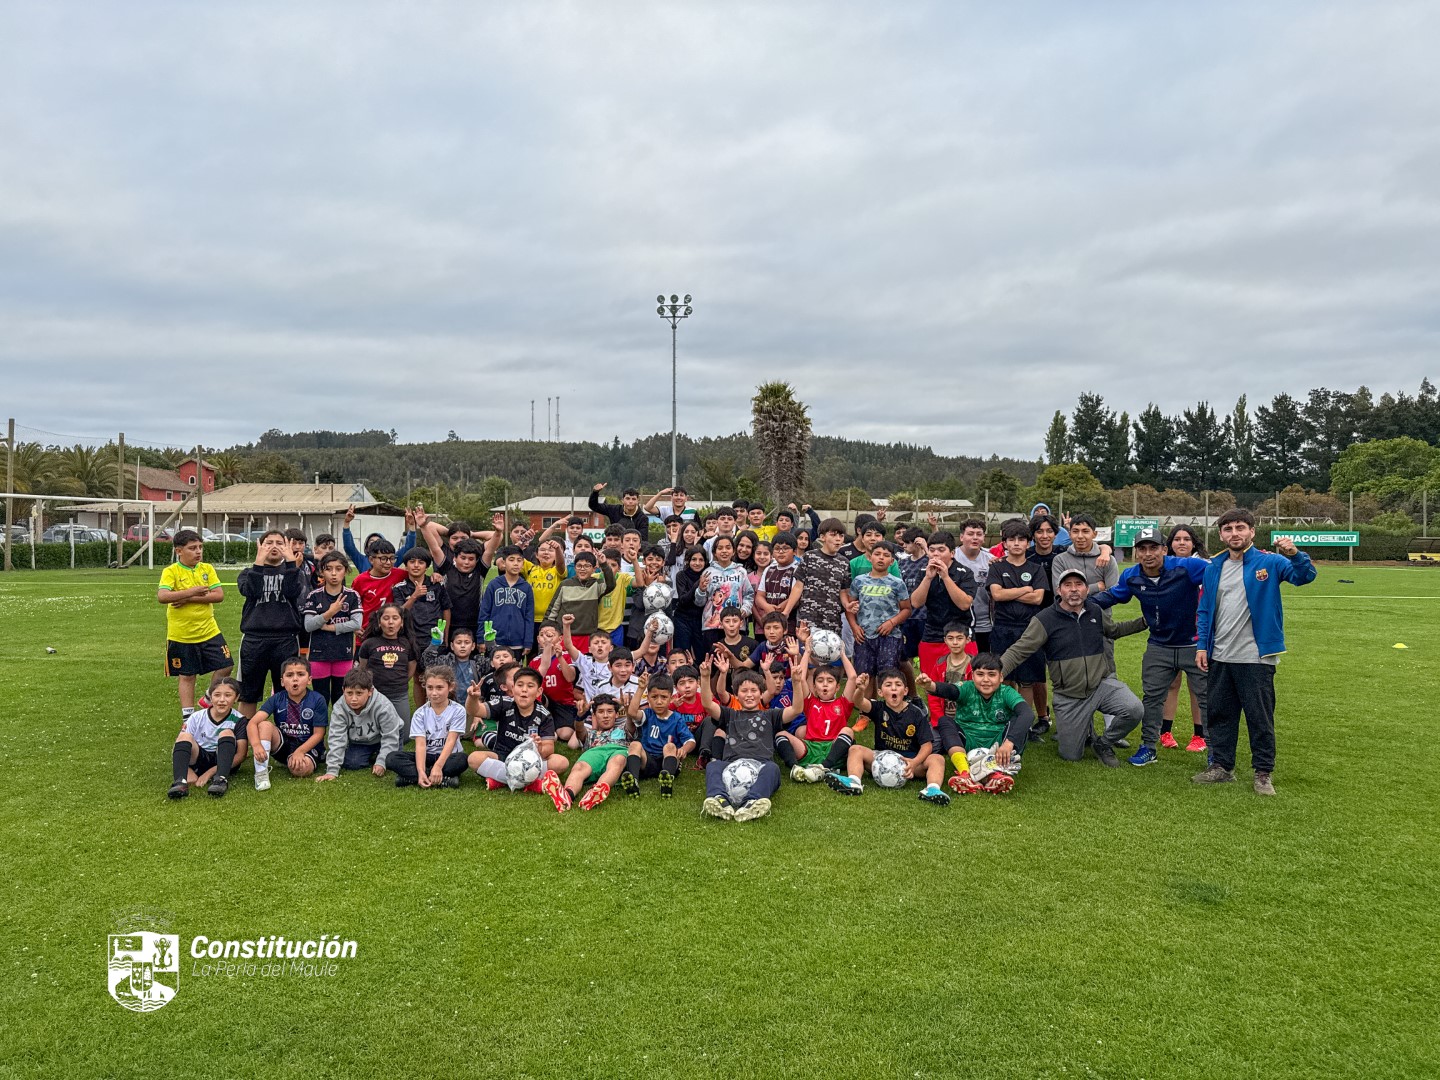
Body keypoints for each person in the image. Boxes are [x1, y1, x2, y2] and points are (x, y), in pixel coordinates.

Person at [1193, 509, 1315, 795]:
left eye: (1240, 528)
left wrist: (1295, 554)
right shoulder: (1214, 567)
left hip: (1256, 657)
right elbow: (1204, 609)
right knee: (1221, 715)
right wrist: (1202, 645)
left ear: (1251, 532)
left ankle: (1263, 773)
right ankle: (1222, 767)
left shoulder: (1270, 562)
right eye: (1228, 529)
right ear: (1220, 534)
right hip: (1220, 655)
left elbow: (1304, 576)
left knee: (1259, 718)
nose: (1234, 533)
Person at [996, 568, 1148, 766]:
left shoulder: (1095, 611)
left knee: (1134, 709)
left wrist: (1145, 622)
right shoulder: (1045, 619)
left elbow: (1114, 631)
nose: (1074, 590)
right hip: (1069, 696)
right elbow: (1020, 650)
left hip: (1100, 686)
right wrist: (997, 670)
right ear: (1059, 591)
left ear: (1086, 590)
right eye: (1068, 585)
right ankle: (1084, 728)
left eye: (1079, 585)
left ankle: (1103, 743)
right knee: (1071, 754)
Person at [1091, 526, 1210, 767]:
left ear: (1164, 549)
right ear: (1136, 553)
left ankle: (1216, 752)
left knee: (1207, 698)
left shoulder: (1187, 567)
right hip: (1159, 646)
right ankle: (1148, 747)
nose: (1148, 553)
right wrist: (1078, 602)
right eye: (1142, 549)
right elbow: (1113, 596)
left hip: (1194, 644)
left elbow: (1221, 574)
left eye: (1153, 548)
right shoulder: (1132, 576)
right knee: (1153, 698)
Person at [822, 668, 950, 805]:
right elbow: (859, 702)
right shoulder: (878, 707)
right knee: (855, 749)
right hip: (880, 760)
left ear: (905, 691)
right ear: (880, 692)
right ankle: (853, 781)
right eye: (888, 685)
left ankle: (932, 789)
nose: (893, 688)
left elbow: (927, 745)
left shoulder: (916, 714)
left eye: (898, 685)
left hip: (909, 762)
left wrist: (915, 762)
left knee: (937, 759)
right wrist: (860, 689)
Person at [695, 658, 801, 822]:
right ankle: (719, 799)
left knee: (773, 769)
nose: (749, 695)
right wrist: (705, 677)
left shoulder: (771, 715)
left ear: (761, 693)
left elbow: (796, 709)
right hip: (732, 765)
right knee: (714, 765)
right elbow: (708, 704)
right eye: (744, 691)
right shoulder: (730, 714)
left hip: (760, 764)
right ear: (736, 694)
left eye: (754, 690)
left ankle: (752, 802)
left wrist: (796, 682)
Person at [918, 653, 1034, 795]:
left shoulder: (1006, 692)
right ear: (972, 676)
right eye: (980, 674)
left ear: (1001, 677)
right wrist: (931, 685)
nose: (986, 680)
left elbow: (1027, 714)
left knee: (1020, 718)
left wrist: (1009, 743)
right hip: (968, 742)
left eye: (991, 675)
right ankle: (965, 773)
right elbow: (950, 690)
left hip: (999, 746)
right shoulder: (967, 688)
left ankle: (997, 773)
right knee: (945, 721)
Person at [464, 667, 570, 811]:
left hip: (531, 761)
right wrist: (473, 698)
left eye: (530, 686)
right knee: (473, 758)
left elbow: (549, 749)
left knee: (561, 762)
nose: (524, 690)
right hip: (502, 756)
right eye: (520, 685)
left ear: (539, 692)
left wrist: (539, 748)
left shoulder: (544, 715)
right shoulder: (504, 703)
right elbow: (474, 710)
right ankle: (532, 784)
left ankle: (501, 780)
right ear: (513, 689)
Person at [157, 529, 231, 723]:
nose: (198, 552)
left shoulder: (206, 569)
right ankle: (188, 719)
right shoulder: (171, 571)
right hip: (182, 634)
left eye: (200, 547)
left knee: (226, 665)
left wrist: (188, 598)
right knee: (187, 675)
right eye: (192, 548)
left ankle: (208, 698)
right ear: (179, 551)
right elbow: (163, 596)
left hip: (209, 630)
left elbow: (219, 595)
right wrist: (192, 592)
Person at [909, 530, 978, 721]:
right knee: (931, 682)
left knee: (966, 681)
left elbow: (965, 603)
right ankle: (937, 722)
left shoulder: (964, 573)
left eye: (941, 550)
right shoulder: (924, 572)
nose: (936, 554)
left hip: (961, 634)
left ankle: (967, 719)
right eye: (932, 550)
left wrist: (946, 577)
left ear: (952, 553)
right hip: (932, 633)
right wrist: (929, 578)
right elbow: (915, 602)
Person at [235, 531, 306, 717]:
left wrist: (291, 564)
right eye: (268, 543)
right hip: (254, 640)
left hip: (285, 639)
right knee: (248, 694)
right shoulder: (248, 573)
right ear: (260, 545)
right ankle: (243, 738)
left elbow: (292, 592)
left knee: (289, 692)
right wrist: (258, 563)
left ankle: (287, 737)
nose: (274, 547)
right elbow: (252, 590)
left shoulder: (293, 571)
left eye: (279, 543)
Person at [986, 520, 1047, 717]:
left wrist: (1008, 592)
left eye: (1021, 539)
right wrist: (1024, 590)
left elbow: (1038, 598)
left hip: (1030, 630)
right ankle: (1005, 718)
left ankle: (1024, 722)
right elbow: (996, 595)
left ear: (1028, 543)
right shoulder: (996, 567)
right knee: (1004, 676)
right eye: (1011, 539)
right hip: (1003, 628)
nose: (1016, 543)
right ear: (1004, 543)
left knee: (1028, 680)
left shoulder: (1036, 569)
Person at [246, 656, 328, 790]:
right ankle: (261, 773)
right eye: (290, 675)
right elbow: (252, 723)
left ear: (309, 680)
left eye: (300, 674)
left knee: (300, 769)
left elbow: (319, 734)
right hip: (284, 745)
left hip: (307, 747)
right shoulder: (277, 698)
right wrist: (256, 745)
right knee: (264, 725)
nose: (295, 679)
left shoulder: (317, 699)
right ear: (282, 681)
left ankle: (298, 760)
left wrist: (300, 751)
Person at [1162, 524, 1209, 750]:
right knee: (1171, 684)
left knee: (1197, 687)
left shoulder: (1205, 567)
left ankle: (1199, 735)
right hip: (1169, 635)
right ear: (1170, 544)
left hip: (1196, 637)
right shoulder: (1162, 566)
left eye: (1186, 539)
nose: (1182, 542)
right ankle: (1165, 732)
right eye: (1177, 539)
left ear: (1193, 543)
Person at [387, 666, 469, 789]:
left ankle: (411, 778)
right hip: (426, 756)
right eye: (430, 688)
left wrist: (438, 766)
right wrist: (420, 770)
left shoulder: (458, 710)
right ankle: (440, 779)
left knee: (463, 759)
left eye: (439, 688)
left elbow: (451, 741)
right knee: (392, 758)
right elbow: (420, 745)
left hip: (448, 756)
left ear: (450, 687)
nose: (434, 693)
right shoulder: (420, 713)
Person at [317, 667, 404, 782]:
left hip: (389, 735)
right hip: (361, 741)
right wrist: (332, 770)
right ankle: (373, 754)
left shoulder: (383, 706)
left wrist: (382, 762)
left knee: (392, 762)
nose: (353, 699)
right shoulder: (339, 708)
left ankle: (380, 755)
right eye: (349, 693)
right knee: (352, 763)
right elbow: (336, 738)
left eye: (359, 693)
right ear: (343, 690)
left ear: (370, 691)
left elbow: (389, 736)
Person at [300, 552, 363, 705]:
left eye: (339, 568)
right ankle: (320, 730)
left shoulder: (352, 596)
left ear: (346, 570)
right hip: (319, 656)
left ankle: (340, 729)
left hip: (344, 655)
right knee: (320, 701)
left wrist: (328, 627)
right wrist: (331, 612)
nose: (334, 573)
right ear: (322, 571)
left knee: (341, 701)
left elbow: (356, 624)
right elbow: (308, 625)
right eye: (329, 569)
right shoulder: (314, 596)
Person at [621, 673, 698, 797]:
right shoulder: (648, 714)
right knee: (635, 744)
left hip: (667, 761)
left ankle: (667, 780)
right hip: (648, 761)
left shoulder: (676, 718)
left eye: (663, 697)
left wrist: (684, 749)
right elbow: (632, 712)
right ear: (648, 698)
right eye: (654, 697)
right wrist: (641, 688)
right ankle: (633, 780)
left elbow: (690, 740)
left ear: (671, 698)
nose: (659, 702)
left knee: (670, 746)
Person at [167, 676, 244, 799]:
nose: (222, 700)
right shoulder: (196, 717)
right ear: (210, 697)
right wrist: (187, 771)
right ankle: (180, 782)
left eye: (228, 695)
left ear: (236, 698)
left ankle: (220, 780)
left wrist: (209, 773)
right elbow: (180, 744)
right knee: (184, 735)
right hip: (200, 758)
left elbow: (241, 755)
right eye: (217, 695)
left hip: (225, 761)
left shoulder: (240, 720)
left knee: (226, 733)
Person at [846, 541, 912, 678]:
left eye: (886, 555)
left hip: (890, 636)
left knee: (888, 674)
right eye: (877, 554)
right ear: (870, 558)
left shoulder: (897, 583)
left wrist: (892, 623)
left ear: (892, 561)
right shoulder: (858, 581)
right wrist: (854, 627)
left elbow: (906, 609)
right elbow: (850, 608)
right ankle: (869, 700)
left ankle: (889, 699)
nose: (881, 558)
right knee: (864, 676)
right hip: (864, 636)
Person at [562, 694, 630, 811]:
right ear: (594, 715)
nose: (605, 716)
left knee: (618, 760)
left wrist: (628, 709)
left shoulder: (623, 729)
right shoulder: (590, 734)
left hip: (617, 750)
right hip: (594, 753)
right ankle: (566, 796)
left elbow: (632, 723)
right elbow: (579, 731)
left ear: (616, 714)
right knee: (579, 767)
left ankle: (595, 792)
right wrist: (580, 716)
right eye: (601, 712)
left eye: (610, 711)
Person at [542, 551, 616, 654]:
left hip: (587, 636)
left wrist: (603, 564)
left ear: (594, 569)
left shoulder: (596, 585)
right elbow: (553, 609)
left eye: (587, 566)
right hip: (565, 635)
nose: (582, 569)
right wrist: (547, 628)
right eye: (579, 566)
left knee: (584, 667)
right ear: (575, 568)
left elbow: (611, 584)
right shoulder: (565, 584)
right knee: (564, 666)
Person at [356, 602, 418, 720]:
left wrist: (400, 681)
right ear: (379, 622)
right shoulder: (369, 644)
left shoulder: (407, 644)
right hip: (375, 694)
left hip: (399, 694)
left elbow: (411, 667)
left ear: (402, 623)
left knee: (403, 737)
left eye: (395, 618)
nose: (390, 622)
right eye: (386, 618)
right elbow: (363, 668)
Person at [794, 517, 851, 638]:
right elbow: (798, 587)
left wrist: (847, 605)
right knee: (805, 654)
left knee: (831, 655)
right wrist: (786, 611)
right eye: (833, 535)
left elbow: (843, 591)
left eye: (841, 536)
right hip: (808, 619)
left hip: (832, 621)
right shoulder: (809, 556)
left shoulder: (844, 562)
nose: (838, 539)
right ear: (822, 537)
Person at [695, 536, 754, 651]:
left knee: (736, 661)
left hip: (736, 624)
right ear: (714, 553)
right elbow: (699, 602)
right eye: (720, 548)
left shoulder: (740, 572)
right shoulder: (707, 572)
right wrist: (701, 590)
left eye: (728, 548)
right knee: (714, 661)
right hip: (712, 626)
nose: (724, 551)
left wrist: (745, 609)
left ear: (733, 551)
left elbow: (749, 594)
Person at [478, 545, 536, 653]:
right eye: (511, 560)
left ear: (523, 564)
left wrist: (528, 641)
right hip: (494, 640)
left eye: (519, 560)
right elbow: (484, 612)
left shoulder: (526, 588)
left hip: (517, 642)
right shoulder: (494, 585)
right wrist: (481, 638)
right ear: (504, 563)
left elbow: (529, 616)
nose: (515, 563)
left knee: (515, 669)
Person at [350, 538, 407, 631]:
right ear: (371, 559)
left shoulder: (400, 575)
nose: (388, 563)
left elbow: (418, 577)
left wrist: (435, 574)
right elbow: (351, 605)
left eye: (392, 558)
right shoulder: (360, 581)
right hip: (366, 633)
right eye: (383, 559)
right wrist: (355, 627)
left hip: (391, 633)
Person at [754, 530, 802, 634]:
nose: (781, 552)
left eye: (785, 548)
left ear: (794, 551)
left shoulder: (798, 569)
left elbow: (797, 597)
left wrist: (780, 608)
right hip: (770, 622)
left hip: (790, 623)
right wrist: (767, 607)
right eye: (777, 549)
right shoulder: (769, 569)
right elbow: (759, 596)